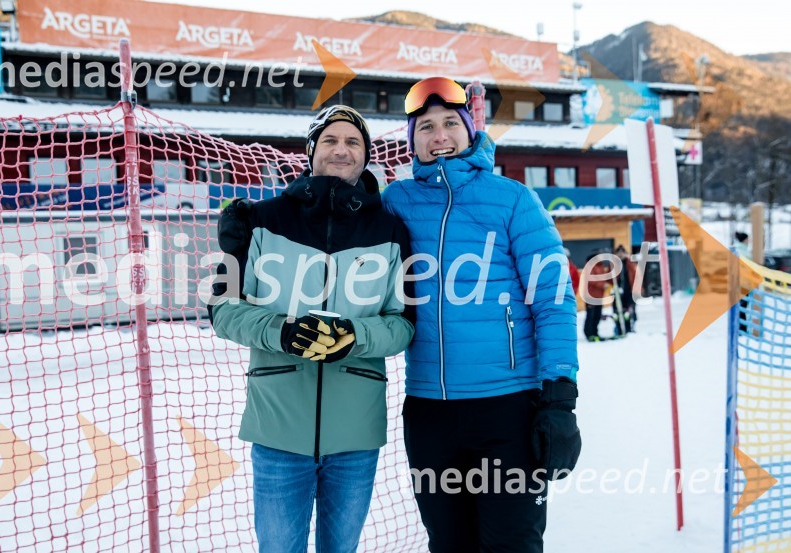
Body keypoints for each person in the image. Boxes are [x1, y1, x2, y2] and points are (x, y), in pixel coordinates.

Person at [381, 77, 581, 553]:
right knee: (449, 545)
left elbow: (553, 301)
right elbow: (337, 224)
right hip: (429, 413)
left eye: (450, 122)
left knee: (511, 544)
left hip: (507, 410)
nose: (439, 136)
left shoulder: (512, 199)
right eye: (425, 127)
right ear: (412, 140)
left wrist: (559, 401)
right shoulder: (396, 202)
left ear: (470, 130)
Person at [208, 105, 415, 553]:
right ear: (310, 151)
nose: (341, 150)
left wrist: (355, 338)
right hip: (278, 430)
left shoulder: (391, 231)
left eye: (353, 142)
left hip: (355, 436)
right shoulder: (260, 220)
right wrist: (282, 331)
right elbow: (221, 309)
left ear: (365, 156)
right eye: (331, 140)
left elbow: (402, 325)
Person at [581, 253, 610, 342]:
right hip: (590, 295)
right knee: (591, 315)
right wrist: (602, 285)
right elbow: (590, 280)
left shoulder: (601, 266)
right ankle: (589, 333)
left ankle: (595, 332)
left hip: (599, 296)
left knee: (597, 315)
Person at [613, 244, 638, 334]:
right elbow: (610, 279)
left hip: (629, 291)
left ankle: (630, 327)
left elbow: (636, 276)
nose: (620, 255)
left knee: (630, 310)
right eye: (618, 253)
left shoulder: (630, 263)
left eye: (622, 253)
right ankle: (619, 328)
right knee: (618, 311)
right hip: (618, 291)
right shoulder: (614, 264)